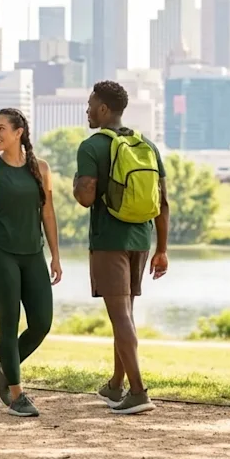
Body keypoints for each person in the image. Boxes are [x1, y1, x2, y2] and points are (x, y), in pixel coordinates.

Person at [74, 80, 169, 415]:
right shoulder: (146, 145)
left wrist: (78, 186)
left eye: (89, 104)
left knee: (120, 316)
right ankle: (116, 385)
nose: (86, 110)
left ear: (103, 109)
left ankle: (138, 392)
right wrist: (162, 249)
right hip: (141, 241)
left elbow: (86, 198)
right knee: (125, 315)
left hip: (109, 241)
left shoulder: (92, 146)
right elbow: (163, 202)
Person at [0, 108, 61, 418]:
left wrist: (55, 256)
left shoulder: (41, 169)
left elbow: (47, 213)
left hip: (33, 254)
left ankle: (5, 368)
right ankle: (17, 395)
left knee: (42, 323)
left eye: (1, 128)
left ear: (19, 132)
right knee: (9, 322)